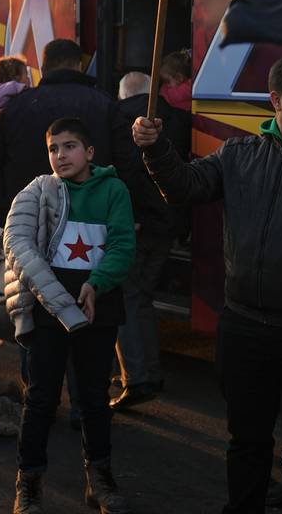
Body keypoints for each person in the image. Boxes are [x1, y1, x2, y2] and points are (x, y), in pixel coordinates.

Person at [132, 56, 282, 514]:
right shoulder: (238, 154)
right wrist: (155, 149)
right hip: (243, 327)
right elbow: (185, 187)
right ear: (275, 101)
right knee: (246, 442)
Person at [4, 117, 136, 514]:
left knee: (94, 398)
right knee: (41, 397)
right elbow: (17, 245)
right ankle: (28, 483)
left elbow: (122, 245)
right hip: (47, 311)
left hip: (100, 308)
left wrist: (96, 283)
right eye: (54, 148)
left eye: (70, 146)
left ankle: (100, 479)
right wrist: (59, 299)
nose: (61, 155)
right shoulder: (39, 192)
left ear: (90, 152)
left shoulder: (114, 190)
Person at [0, 38, 140, 227]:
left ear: (43, 68)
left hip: (26, 223)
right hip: (89, 224)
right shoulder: (105, 105)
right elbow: (128, 163)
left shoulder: (14, 108)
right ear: (79, 66)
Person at [108, 71, 192, 410]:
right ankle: (149, 372)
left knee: (124, 298)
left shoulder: (120, 120)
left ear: (123, 93)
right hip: (168, 223)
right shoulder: (181, 119)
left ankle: (137, 378)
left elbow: (127, 174)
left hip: (136, 223)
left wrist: (130, 217)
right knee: (142, 296)